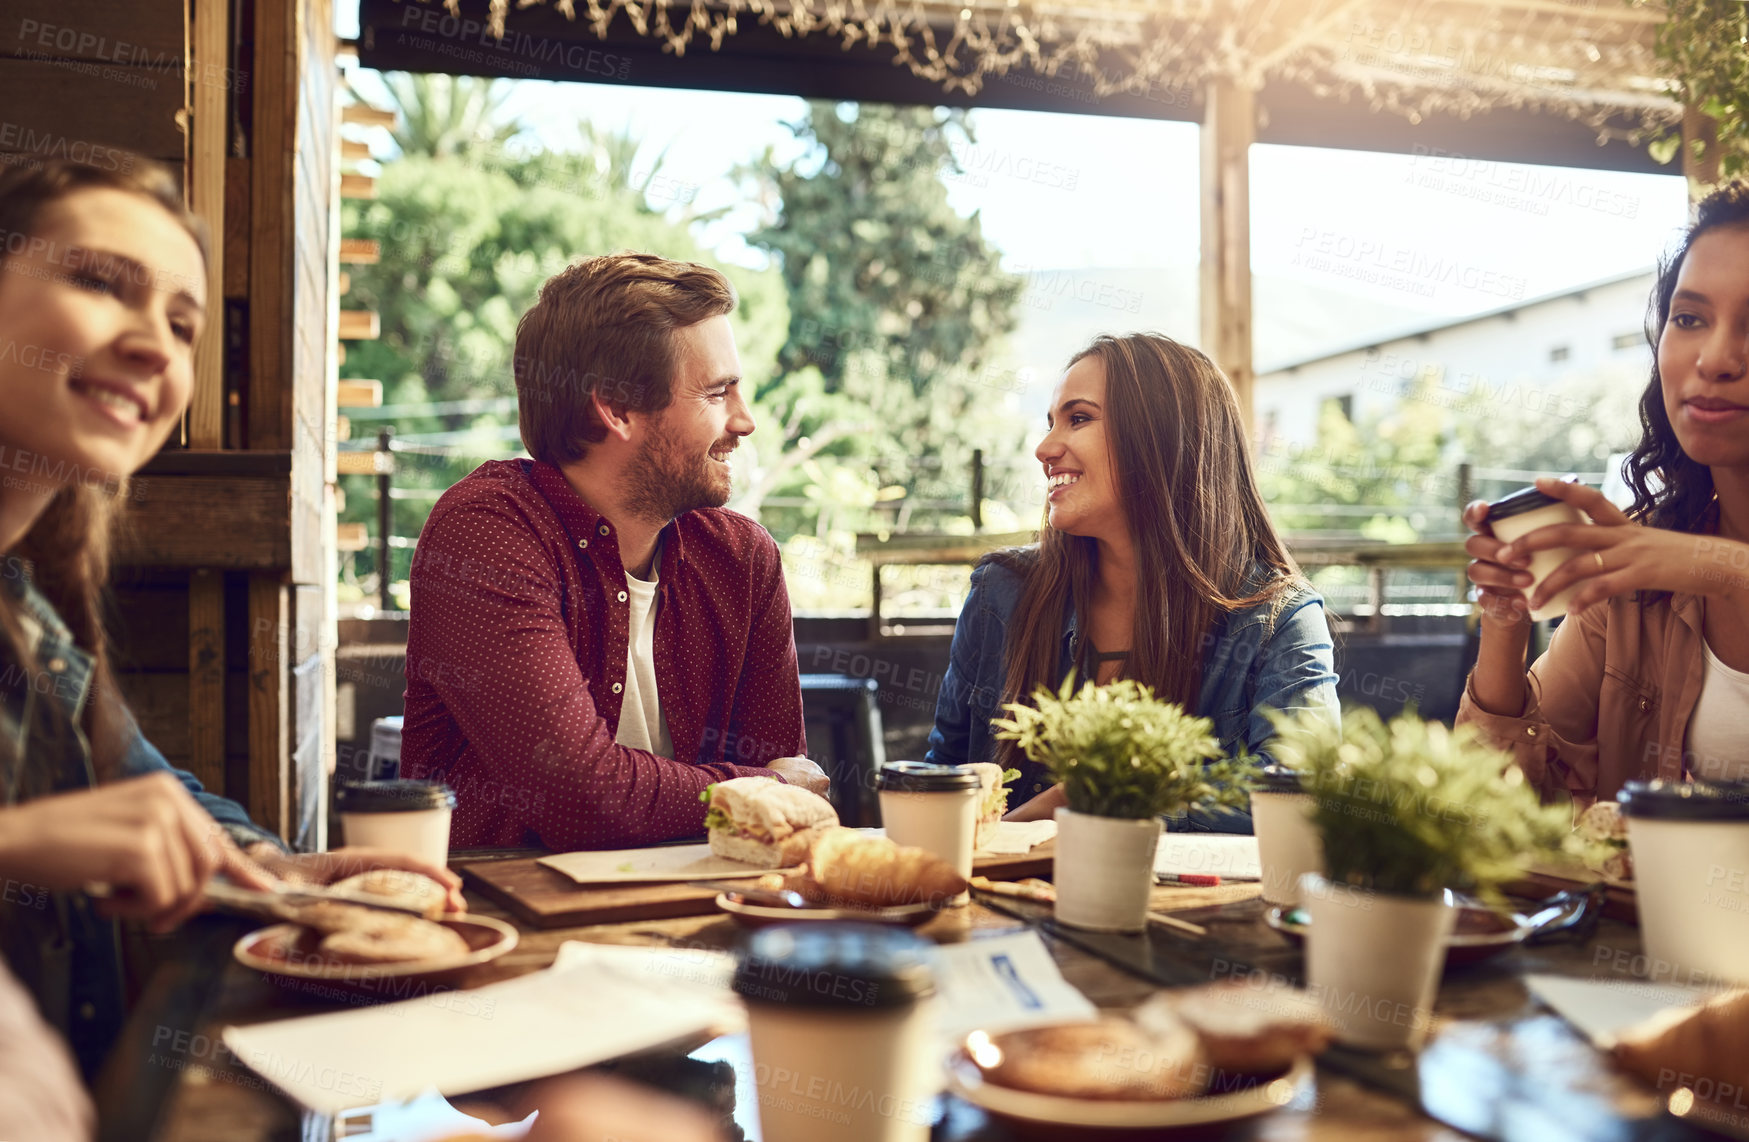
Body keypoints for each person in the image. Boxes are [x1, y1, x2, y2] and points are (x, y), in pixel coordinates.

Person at [0, 156, 461, 1081]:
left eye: (183, 327)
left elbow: (150, 791)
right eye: (97, 282)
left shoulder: (31, 619)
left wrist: (278, 869)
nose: (155, 348)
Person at [401, 252, 828, 851]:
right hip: (504, 925)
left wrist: (768, 789)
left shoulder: (743, 559)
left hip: (697, 916)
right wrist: (756, 788)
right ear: (617, 408)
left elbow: (789, 804)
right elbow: (580, 797)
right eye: (716, 393)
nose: (746, 420)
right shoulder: (486, 532)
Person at [925, 333, 1340, 831]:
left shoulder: (1277, 618)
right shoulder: (1000, 593)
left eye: (1079, 419)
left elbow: (1298, 802)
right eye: (1051, 422)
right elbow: (940, 779)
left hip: (1193, 910)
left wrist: (1096, 804)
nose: (1044, 448)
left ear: (1162, 438)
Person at [1458, 182, 1749, 803]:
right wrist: (1505, 625)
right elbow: (1495, 807)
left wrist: (1717, 567)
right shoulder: (1640, 567)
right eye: (1690, 318)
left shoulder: (1661, 557)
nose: (1717, 358)